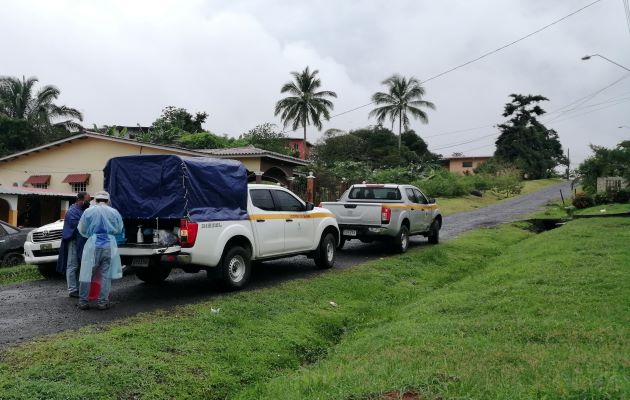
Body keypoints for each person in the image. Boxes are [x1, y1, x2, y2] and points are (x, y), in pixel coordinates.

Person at [77, 190, 124, 310]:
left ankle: (83, 302)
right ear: (108, 200)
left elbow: (82, 229)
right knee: (105, 275)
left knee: (87, 273)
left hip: (93, 244)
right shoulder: (114, 212)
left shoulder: (88, 211)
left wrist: (91, 234)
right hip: (109, 245)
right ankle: (103, 302)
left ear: (95, 200)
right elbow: (119, 229)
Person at [57, 192, 90, 297]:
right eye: (87, 200)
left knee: (79, 265)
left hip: (82, 241)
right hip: (74, 241)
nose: (88, 203)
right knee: (72, 265)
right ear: (80, 200)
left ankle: (78, 288)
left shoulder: (83, 210)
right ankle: (72, 289)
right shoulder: (72, 211)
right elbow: (78, 225)